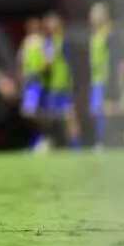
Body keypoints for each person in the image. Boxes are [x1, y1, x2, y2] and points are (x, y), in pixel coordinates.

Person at [41, 11, 78, 149]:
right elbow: (46, 64)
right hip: (52, 84)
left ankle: (76, 146)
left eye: (52, 22)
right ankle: (53, 143)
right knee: (52, 117)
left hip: (64, 84)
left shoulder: (64, 40)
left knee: (69, 116)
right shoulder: (47, 42)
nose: (49, 25)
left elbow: (71, 62)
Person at [88, 2, 120, 148]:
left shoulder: (110, 33)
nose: (92, 17)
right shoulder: (95, 35)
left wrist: (115, 79)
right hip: (97, 79)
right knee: (98, 111)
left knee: (109, 110)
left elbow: (115, 58)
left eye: (96, 14)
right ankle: (102, 141)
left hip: (108, 79)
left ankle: (106, 141)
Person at [17, 17, 46, 149]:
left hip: (39, 81)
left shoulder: (43, 42)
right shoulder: (27, 42)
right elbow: (22, 61)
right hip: (30, 82)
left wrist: (39, 70)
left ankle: (41, 139)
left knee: (38, 112)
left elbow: (47, 61)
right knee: (28, 113)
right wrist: (22, 74)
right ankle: (35, 140)